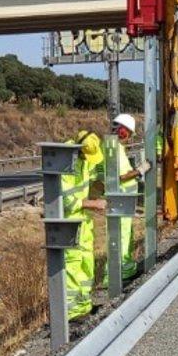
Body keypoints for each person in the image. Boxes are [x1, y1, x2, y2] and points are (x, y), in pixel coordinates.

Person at [59, 129, 106, 320]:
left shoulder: (83, 160)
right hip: (69, 225)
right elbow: (67, 201)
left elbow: (89, 184)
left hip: (83, 222)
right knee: (72, 267)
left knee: (87, 264)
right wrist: (93, 203)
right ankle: (72, 312)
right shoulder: (64, 164)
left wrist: (99, 188)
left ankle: (84, 306)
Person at [108, 113, 143, 278]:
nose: (128, 138)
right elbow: (121, 176)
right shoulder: (114, 148)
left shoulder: (114, 147)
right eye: (128, 134)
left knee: (126, 234)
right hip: (121, 199)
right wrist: (140, 170)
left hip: (124, 199)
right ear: (123, 131)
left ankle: (126, 268)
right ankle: (118, 273)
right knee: (121, 236)